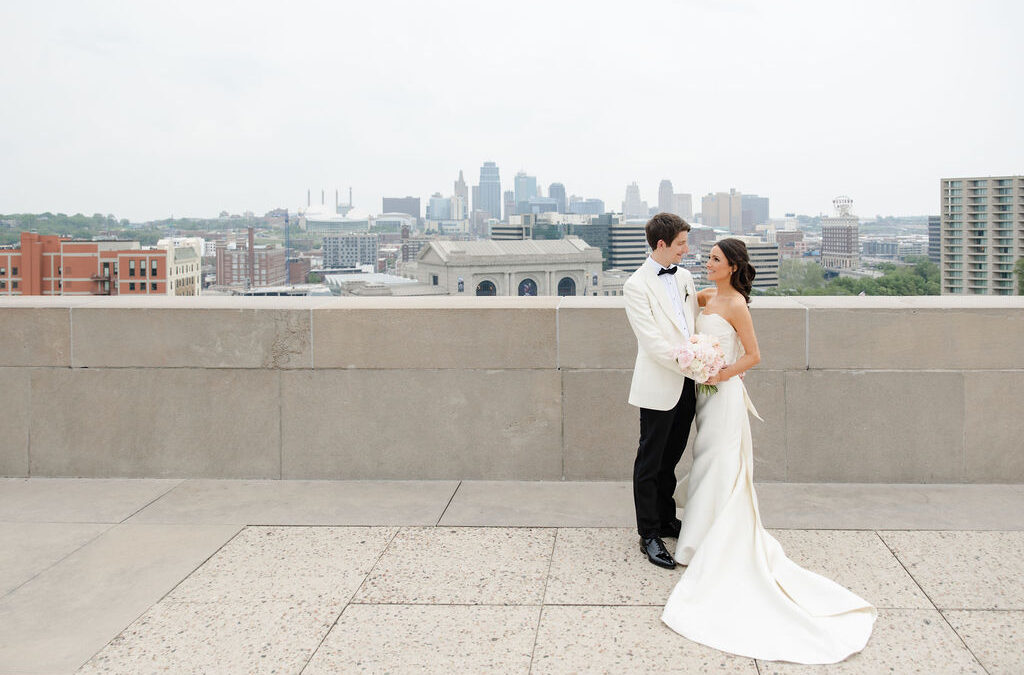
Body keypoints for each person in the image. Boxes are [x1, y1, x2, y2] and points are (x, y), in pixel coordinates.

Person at [661, 238, 876, 664]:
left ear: (733, 266)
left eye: (715, 259)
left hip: (723, 396)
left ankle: (704, 539)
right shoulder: (704, 296)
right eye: (707, 257)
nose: (708, 263)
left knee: (720, 463)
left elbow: (755, 355)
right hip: (703, 396)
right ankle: (700, 531)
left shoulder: (737, 305)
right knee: (705, 461)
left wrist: (719, 372)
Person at [622, 213, 698, 569]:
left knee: (673, 456)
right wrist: (692, 364)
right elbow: (651, 342)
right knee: (650, 461)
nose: (687, 249)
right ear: (662, 244)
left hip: (688, 384)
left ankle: (667, 519)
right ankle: (649, 533)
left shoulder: (684, 277)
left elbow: (691, 324)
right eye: (681, 243)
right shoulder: (635, 285)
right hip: (659, 383)